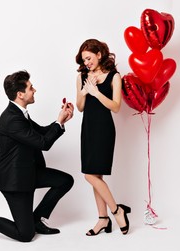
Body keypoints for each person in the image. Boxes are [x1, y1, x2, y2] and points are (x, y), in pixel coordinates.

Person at [0, 70, 74, 242]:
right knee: (25, 235)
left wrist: (61, 121)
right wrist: (58, 123)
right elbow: (44, 143)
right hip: (15, 181)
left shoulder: (20, 114)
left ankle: (36, 220)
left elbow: (42, 133)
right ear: (20, 94)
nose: (34, 90)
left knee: (65, 181)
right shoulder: (12, 119)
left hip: (28, 172)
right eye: (31, 88)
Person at [75, 39, 131, 236]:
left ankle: (117, 211)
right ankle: (103, 220)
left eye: (89, 58)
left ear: (99, 54)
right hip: (88, 128)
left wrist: (96, 93)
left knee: (90, 175)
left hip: (104, 129)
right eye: (84, 59)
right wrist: (84, 91)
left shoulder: (115, 76)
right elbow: (80, 107)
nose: (87, 62)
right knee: (93, 174)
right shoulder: (83, 76)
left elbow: (116, 107)